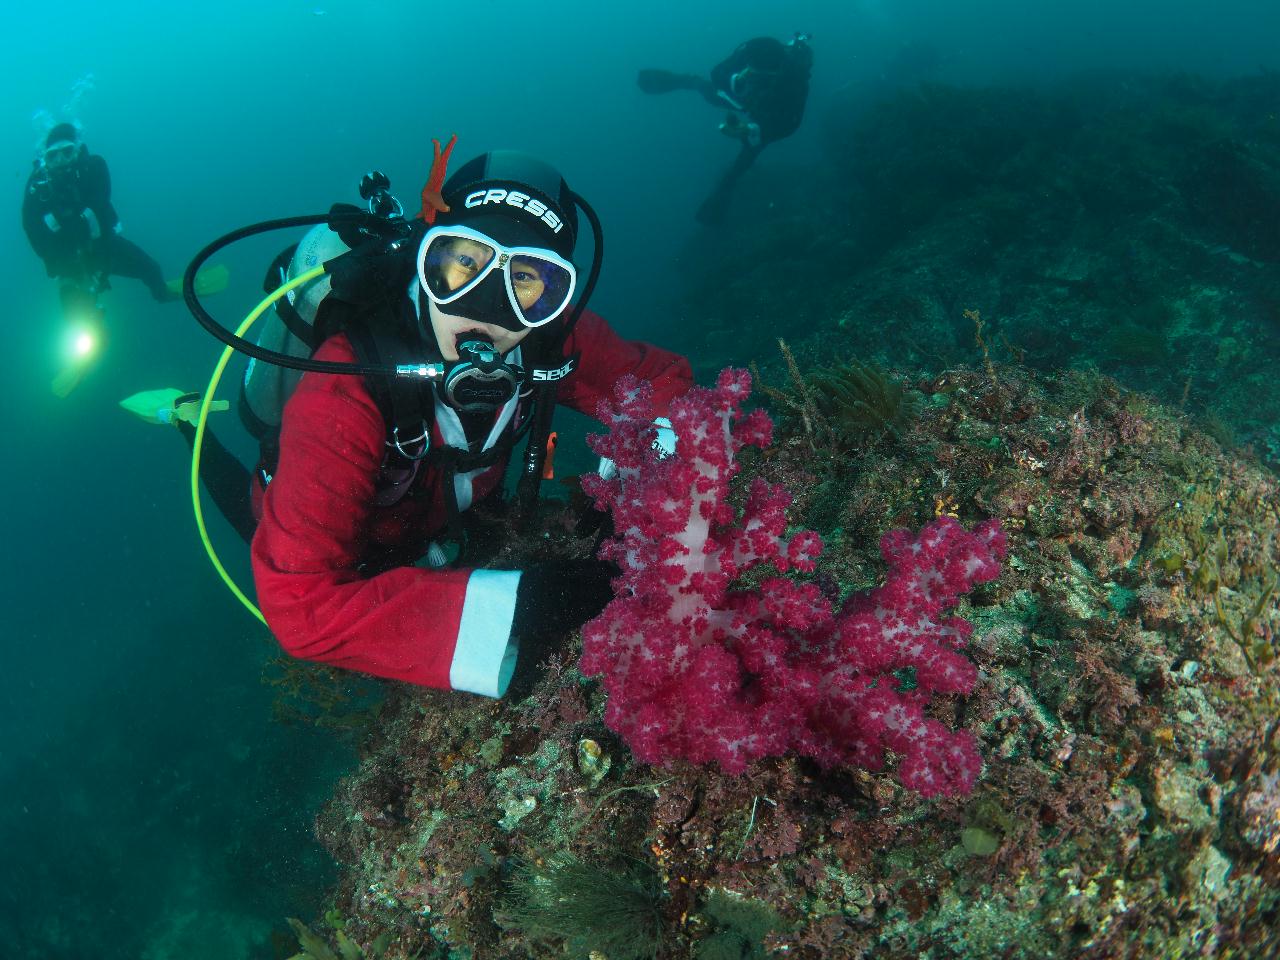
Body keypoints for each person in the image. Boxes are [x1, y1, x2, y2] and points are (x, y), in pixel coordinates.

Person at [136, 149, 693, 700]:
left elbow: (662, 386)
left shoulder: (548, 337)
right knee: (251, 513)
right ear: (426, 262)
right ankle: (187, 422)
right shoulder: (344, 385)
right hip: (344, 523)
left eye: (525, 279)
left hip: (447, 513)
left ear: (556, 294)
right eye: (464, 263)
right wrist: (533, 605)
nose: (487, 309)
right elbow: (299, 607)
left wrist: (633, 504)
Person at [638, 34, 813, 224]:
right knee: (711, 92)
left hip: (771, 110)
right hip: (750, 94)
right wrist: (735, 81)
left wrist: (751, 129)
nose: (750, 78)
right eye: (749, 72)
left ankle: (723, 192)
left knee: (744, 158)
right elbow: (718, 74)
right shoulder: (749, 51)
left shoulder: (793, 82)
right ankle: (688, 81)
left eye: (756, 77)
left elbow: (790, 125)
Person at [22, 123, 178, 309]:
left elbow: (101, 199)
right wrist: (51, 259)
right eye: (53, 155)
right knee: (75, 313)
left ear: (77, 150)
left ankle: (162, 293)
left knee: (152, 269)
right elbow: (30, 224)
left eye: (67, 152)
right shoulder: (37, 186)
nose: (61, 160)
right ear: (45, 158)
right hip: (66, 260)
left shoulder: (94, 166)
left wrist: (80, 225)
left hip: (105, 246)